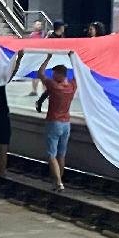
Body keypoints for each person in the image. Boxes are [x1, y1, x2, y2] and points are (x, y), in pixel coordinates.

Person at [35, 62, 76, 192]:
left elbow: (40, 73)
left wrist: (48, 57)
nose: (52, 76)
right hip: (66, 124)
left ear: (59, 74)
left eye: (54, 73)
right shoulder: (72, 87)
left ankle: (58, 183)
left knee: (52, 155)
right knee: (61, 155)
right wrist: (74, 59)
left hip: (53, 122)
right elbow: (79, 74)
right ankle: (58, 181)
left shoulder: (54, 86)